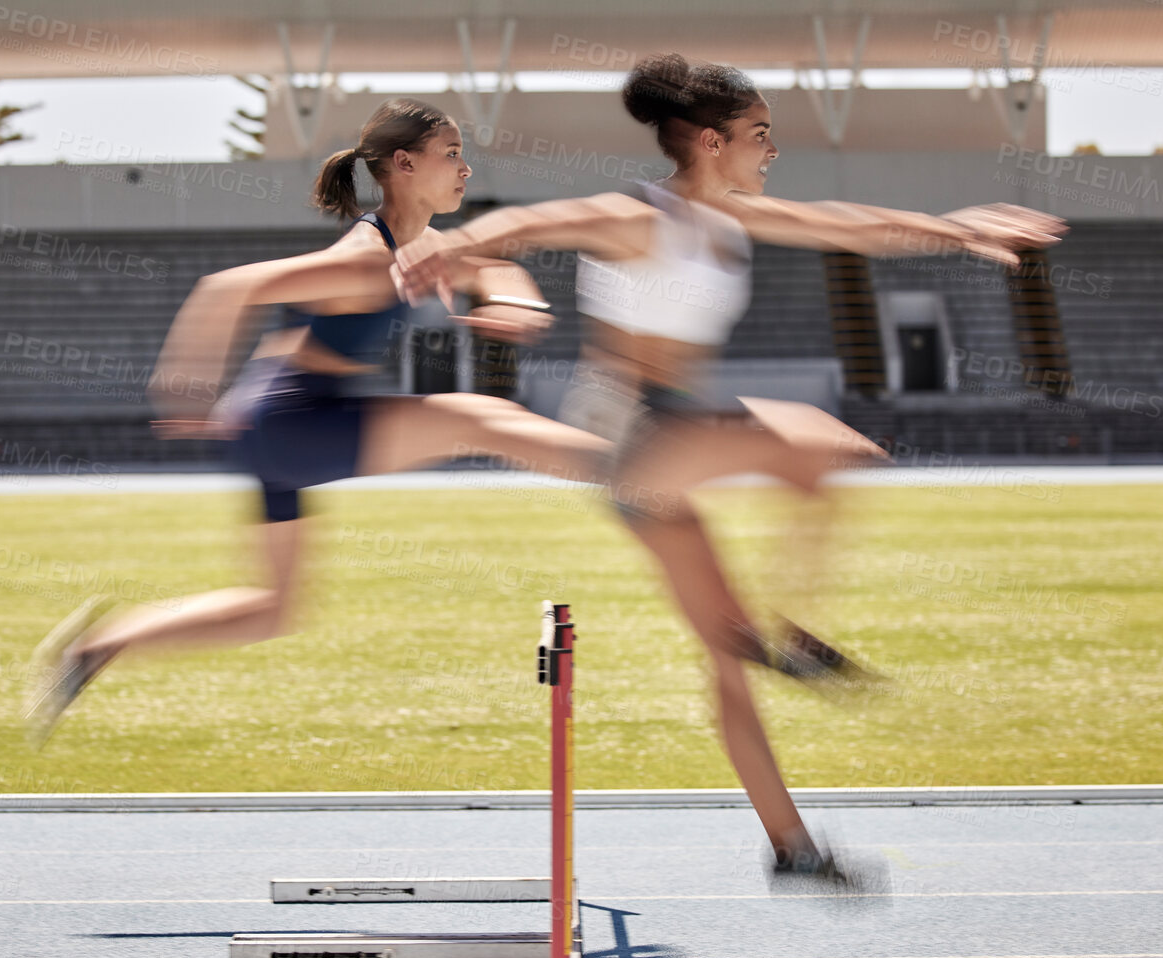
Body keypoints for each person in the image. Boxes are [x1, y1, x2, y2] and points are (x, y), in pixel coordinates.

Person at [396, 54, 1066, 878]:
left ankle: (791, 843)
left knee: (725, 653)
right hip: (634, 433)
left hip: (659, 467)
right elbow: (530, 223)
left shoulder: (732, 220)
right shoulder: (639, 216)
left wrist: (962, 230)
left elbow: (846, 225)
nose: (770, 151)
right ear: (710, 142)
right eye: (759, 136)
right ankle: (792, 630)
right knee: (827, 447)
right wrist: (447, 247)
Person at [24, 98, 611, 745]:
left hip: (280, 420)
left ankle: (97, 645)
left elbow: (495, 267)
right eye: (451, 155)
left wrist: (509, 299)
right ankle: (633, 469)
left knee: (271, 608)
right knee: (472, 418)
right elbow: (226, 288)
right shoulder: (364, 260)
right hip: (289, 416)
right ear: (404, 164)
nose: (465, 168)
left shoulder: (423, 244)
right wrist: (183, 389)